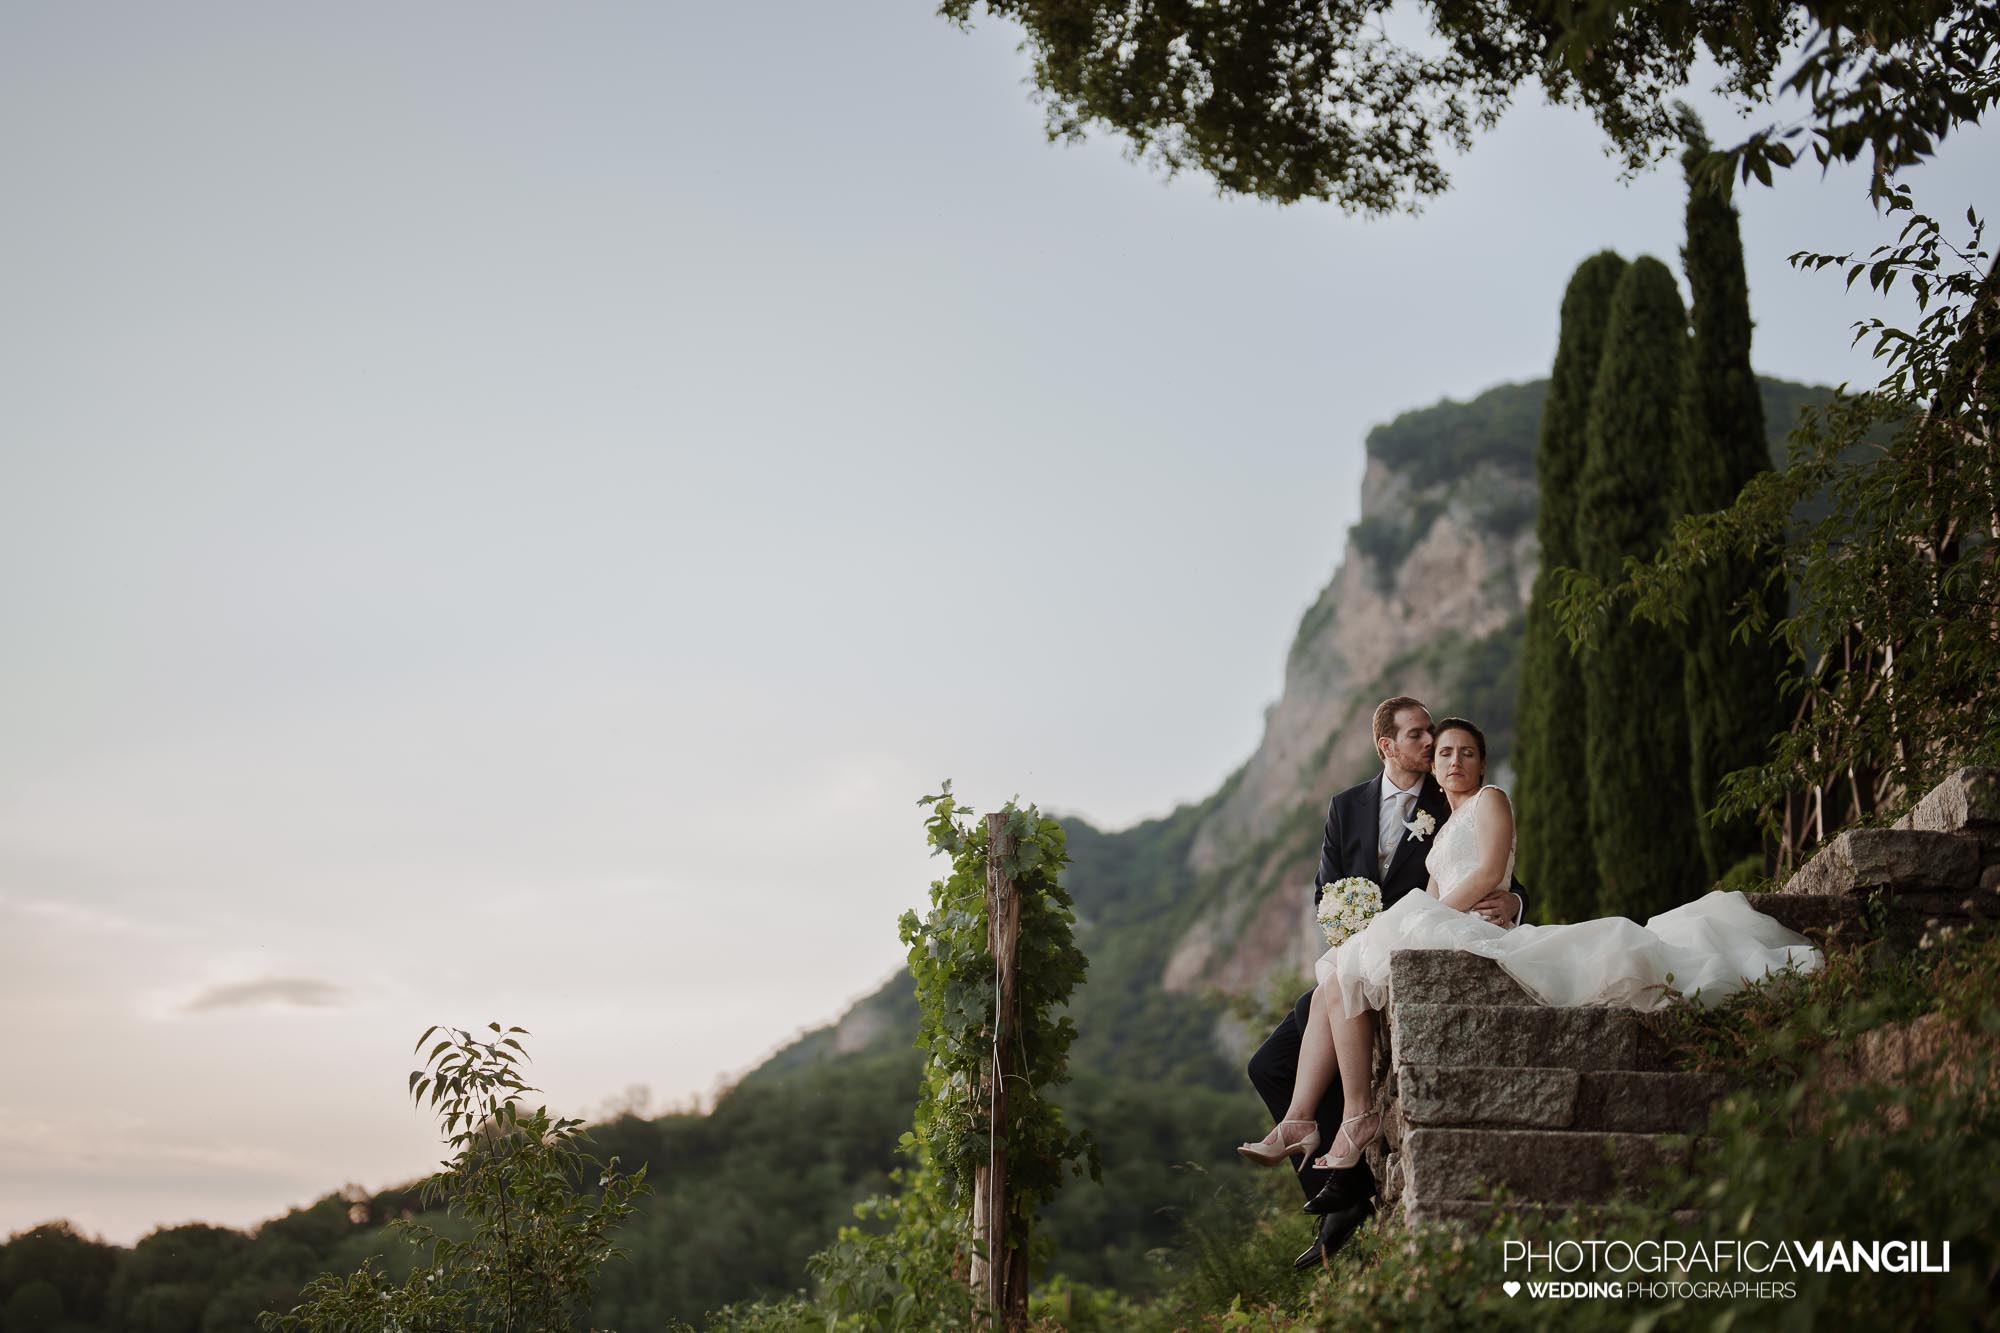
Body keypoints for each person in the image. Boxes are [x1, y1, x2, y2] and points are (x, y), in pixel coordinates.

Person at [1250, 716, 1821, 1226]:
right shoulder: (1434, 824)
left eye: (1464, 752)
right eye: (1443, 752)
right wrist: (1408, 918)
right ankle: (1314, 1118)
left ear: (1481, 761)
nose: (1451, 759)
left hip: (1466, 922)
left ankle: (1350, 1120)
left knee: (1346, 969)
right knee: (1335, 975)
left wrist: (1427, 917)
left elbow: (1491, 872)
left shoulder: (1491, 800)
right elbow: (1426, 887)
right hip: (1444, 919)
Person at [1242, 697, 1525, 1272]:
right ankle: (1345, 1193)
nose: (1433, 747)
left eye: (1438, 739)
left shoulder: (1451, 799)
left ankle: (1343, 1177)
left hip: (1420, 943)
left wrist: (1518, 902)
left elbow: (1492, 867)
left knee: (1325, 1002)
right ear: (1386, 746)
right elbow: (1326, 892)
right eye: (1420, 736)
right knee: (1265, 1066)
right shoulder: (1346, 807)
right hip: (1360, 953)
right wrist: (1345, 918)